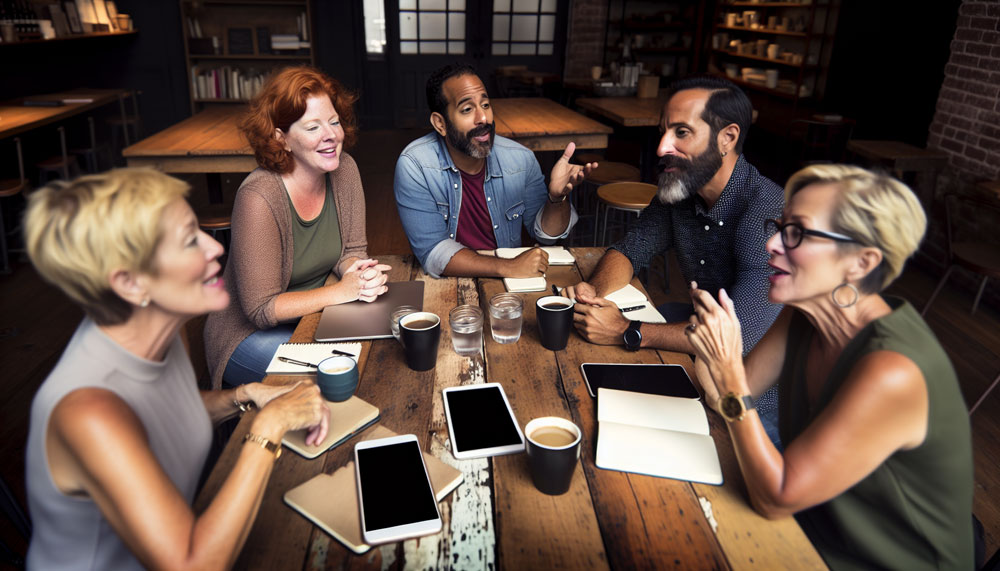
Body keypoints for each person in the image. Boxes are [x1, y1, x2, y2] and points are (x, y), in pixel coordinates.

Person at [23, 168, 330, 570]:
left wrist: (242, 396)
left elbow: (160, 412)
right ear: (131, 283)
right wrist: (269, 424)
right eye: (189, 240)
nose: (215, 248)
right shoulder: (87, 409)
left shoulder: (161, 333)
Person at [685, 164, 973, 570]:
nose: (771, 244)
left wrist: (728, 369)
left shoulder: (893, 370)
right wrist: (717, 359)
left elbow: (774, 496)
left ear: (860, 262)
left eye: (796, 232)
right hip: (812, 526)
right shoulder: (803, 315)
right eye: (778, 226)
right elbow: (729, 403)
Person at [563, 75, 784, 443]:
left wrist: (625, 330)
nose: (663, 145)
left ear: (727, 138)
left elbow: (736, 335)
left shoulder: (764, 212)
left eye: (682, 132)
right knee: (588, 395)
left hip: (755, 393)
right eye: (664, 131)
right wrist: (593, 293)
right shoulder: (681, 190)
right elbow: (630, 249)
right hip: (696, 342)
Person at [205, 66, 389, 389]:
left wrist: (359, 274)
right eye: (312, 127)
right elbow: (261, 309)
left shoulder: (344, 169)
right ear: (281, 138)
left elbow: (351, 251)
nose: (330, 135)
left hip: (314, 316)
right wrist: (342, 291)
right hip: (247, 336)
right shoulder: (258, 197)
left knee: (381, 351)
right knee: (342, 375)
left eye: (334, 122)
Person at [394, 62, 595, 279]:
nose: (483, 118)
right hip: (451, 279)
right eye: (467, 109)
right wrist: (507, 267)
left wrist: (557, 198)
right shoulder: (415, 165)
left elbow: (547, 236)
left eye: (486, 105)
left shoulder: (521, 159)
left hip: (507, 284)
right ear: (440, 123)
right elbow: (434, 252)